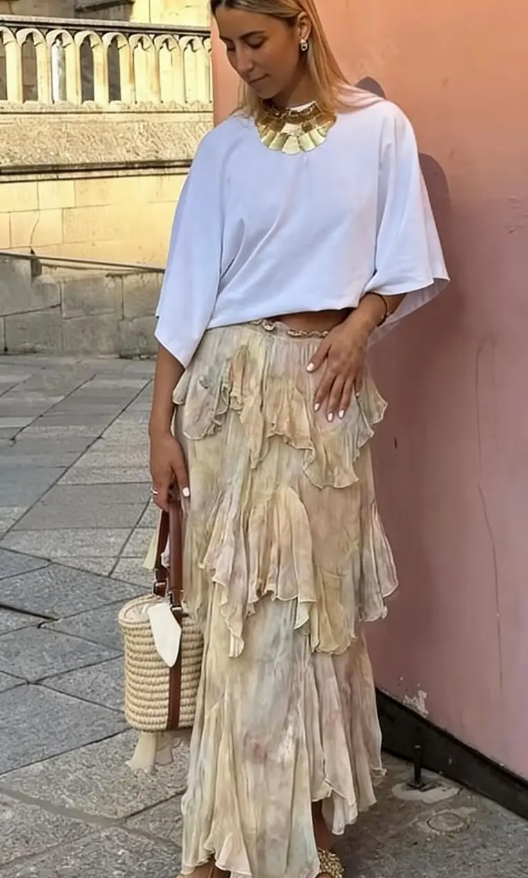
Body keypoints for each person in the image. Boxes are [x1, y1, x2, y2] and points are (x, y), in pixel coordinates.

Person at [149, 1, 449, 877]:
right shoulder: (224, 149)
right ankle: (222, 836)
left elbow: (403, 262)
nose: (241, 61)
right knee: (239, 615)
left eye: (255, 40)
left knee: (315, 619)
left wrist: (358, 329)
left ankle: (308, 828)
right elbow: (186, 293)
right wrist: (158, 424)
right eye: (228, 44)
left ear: (302, 27)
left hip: (322, 389)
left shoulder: (380, 130)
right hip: (228, 389)